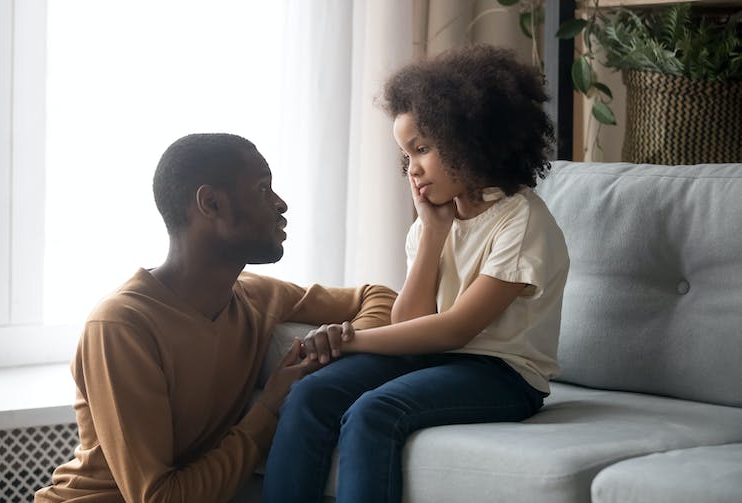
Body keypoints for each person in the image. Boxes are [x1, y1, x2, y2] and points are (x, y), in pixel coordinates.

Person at [261, 45, 570, 503]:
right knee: (310, 394)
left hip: (503, 374)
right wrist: (431, 232)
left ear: (469, 137)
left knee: (374, 411)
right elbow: (409, 325)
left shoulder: (520, 220)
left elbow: (456, 327)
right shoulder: (433, 223)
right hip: (436, 359)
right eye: (405, 156)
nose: (412, 169)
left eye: (421, 149)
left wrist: (349, 340)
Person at [34, 133, 397, 502]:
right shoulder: (121, 326)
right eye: (263, 189)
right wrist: (268, 409)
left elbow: (380, 297)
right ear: (210, 203)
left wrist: (345, 345)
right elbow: (160, 499)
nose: (281, 204)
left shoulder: (257, 296)